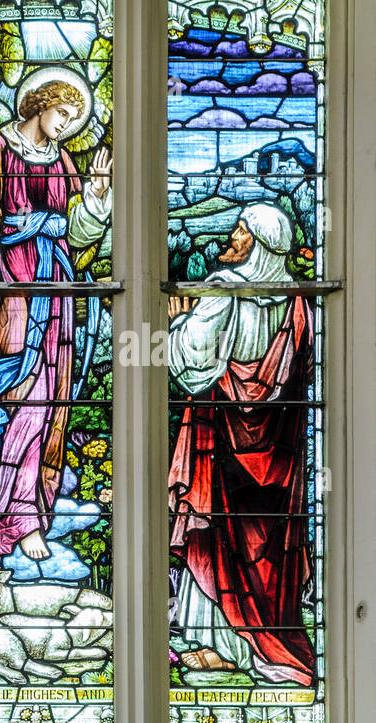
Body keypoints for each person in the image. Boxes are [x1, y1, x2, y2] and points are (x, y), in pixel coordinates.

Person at [0, 75, 112, 560]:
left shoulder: (62, 161)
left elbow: (75, 237)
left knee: (49, 399)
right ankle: (0, 501)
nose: (66, 125)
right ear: (41, 103)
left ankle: (27, 509)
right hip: (12, 282)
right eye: (62, 114)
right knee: (18, 390)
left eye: (74, 120)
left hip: (56, 286)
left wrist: (95, 199)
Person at [168, 203, 315, 685]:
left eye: (241, 231)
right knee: (268, 546)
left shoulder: (223, 291)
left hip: (221, 441)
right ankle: (262, 638)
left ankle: (222, 646)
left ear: (260, 244)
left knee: (220, 537)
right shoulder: (299, 303)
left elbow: (191, 360)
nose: (232, 236)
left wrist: (176, 322)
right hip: (279, 453)